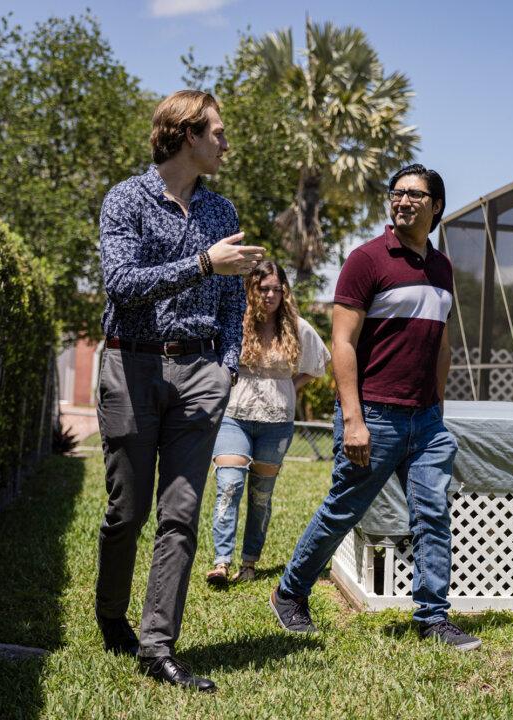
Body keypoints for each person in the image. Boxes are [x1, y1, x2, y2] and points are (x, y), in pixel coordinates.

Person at [269, 163, 481, 651]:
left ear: (437, 206)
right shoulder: (366, 260)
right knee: (342, 511)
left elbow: (442, 344)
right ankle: (290, 593)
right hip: (376, 415)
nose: (402, 200)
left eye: (415, 194)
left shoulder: (443, 268)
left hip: (426, 420)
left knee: (432, 515)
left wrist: (439, 411)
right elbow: (342, 344)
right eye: (397, 192)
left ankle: (432, 617)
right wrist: (353, 419)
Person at [94, 89, 265, 692]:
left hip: (200, 375)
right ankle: (110, 613)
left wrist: (226, 367)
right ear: (187, 135)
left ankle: (158, 644)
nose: (225, 142)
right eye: (217, 132)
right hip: (132, 367)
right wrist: (201, 264)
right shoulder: (127, 200)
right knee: (128, 511)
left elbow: (231, 300)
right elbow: (121, 284)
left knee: (182, 514)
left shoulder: (222, 211)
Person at [204, 261, 331, 587]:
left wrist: (289, 387)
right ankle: (221, 561)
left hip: (276, 423)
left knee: (260, 497)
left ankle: (249, 562)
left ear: (284, 291)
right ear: (252, 290)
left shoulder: (296, 327)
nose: (271, 294)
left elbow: (320, 363)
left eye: (276, 288)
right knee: (229, 484)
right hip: (235, 416)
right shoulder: (236, 321)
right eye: (264, 288)